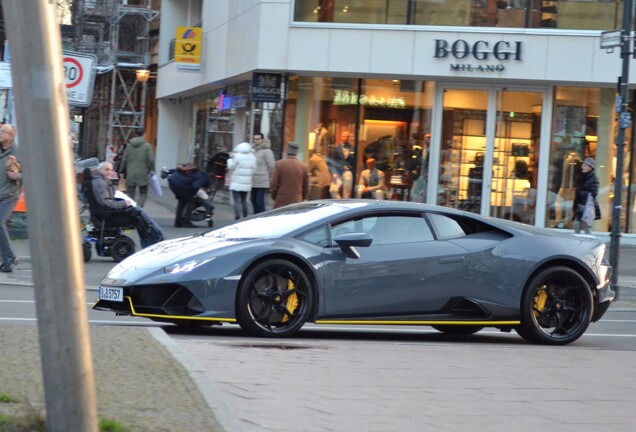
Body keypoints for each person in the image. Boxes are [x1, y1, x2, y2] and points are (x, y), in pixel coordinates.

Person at [91, 161, 164, 248]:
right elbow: (106, 203)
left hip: (106, 213)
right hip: (107, 216)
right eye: (106, 170)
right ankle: (156, 237)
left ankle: (155, 237)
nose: (109, 172)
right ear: (99, 170)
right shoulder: (100, 183)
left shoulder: (101, 180)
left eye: (111, 170)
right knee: (138, 213)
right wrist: (123, 203)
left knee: (137, 210)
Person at [0, 124, 21, 272]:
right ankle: (10, 257)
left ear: (11, 135)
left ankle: (8, 259)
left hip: (9, 195)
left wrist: (18, 175)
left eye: (3, 132)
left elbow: (30, 173)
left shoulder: (18, 152)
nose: (0, 133)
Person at [167, 163, 211, 228]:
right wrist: (194, 195)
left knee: (182, 202)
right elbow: (195, 186)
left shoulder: (197, 172)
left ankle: (178, 222)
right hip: (181, 185)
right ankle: (187, 222)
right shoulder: (202, 178)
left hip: (172, 182)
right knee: (191, 201)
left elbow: (174, 171)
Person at [120, 129, 155, 207]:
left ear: (135, 134)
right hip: (143, 173)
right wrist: (151, 169)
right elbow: (151, 160)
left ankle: (132, 209)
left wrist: (122, 170)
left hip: (130, 174)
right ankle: (138, 209)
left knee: (131, 194)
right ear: (144, 134)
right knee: (143, 193)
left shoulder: (129, 146)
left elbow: (124, 159)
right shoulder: (147, 146)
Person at [270, 142, 309, 208]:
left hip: (281, 200)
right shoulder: (304, 166)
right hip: (297, 201)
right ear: (296, 153)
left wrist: (274, 196)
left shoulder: (279, 164)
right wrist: (302, 198)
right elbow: (306, 187)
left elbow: (274, 184)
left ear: (286, 152)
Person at [227, 141, 256, 219]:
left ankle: (237, 217)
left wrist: (230, 159)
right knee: (244, 201)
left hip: (236, 182)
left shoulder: (237, 156)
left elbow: (231, 167)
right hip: (246, 182)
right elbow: (254, 169)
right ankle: (245, 217)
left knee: (236, 201)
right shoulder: (252, 157)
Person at [572, 157, 600, 234]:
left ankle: (589, 241)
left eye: (585, 165)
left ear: (590, 167)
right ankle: (577, 241)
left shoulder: (593, 178)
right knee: (576, 224)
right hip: (579, 205)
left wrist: (580, 192)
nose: (582, 167)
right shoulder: (581, 176)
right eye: (582, 165)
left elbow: (593, 193)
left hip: (586, 206)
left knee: (586, 226)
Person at [250, 133, 275, 214]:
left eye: (257, 139)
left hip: (262, 180)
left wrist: (270, 178)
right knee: (252, 200)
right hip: (253, 180)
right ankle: (255, 217)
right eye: (254, 139)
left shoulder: (267, 151)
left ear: (262, 140)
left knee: (259, 201)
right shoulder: (253, 150)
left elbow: (271, 166)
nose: (255, 141)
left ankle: (262, 217)